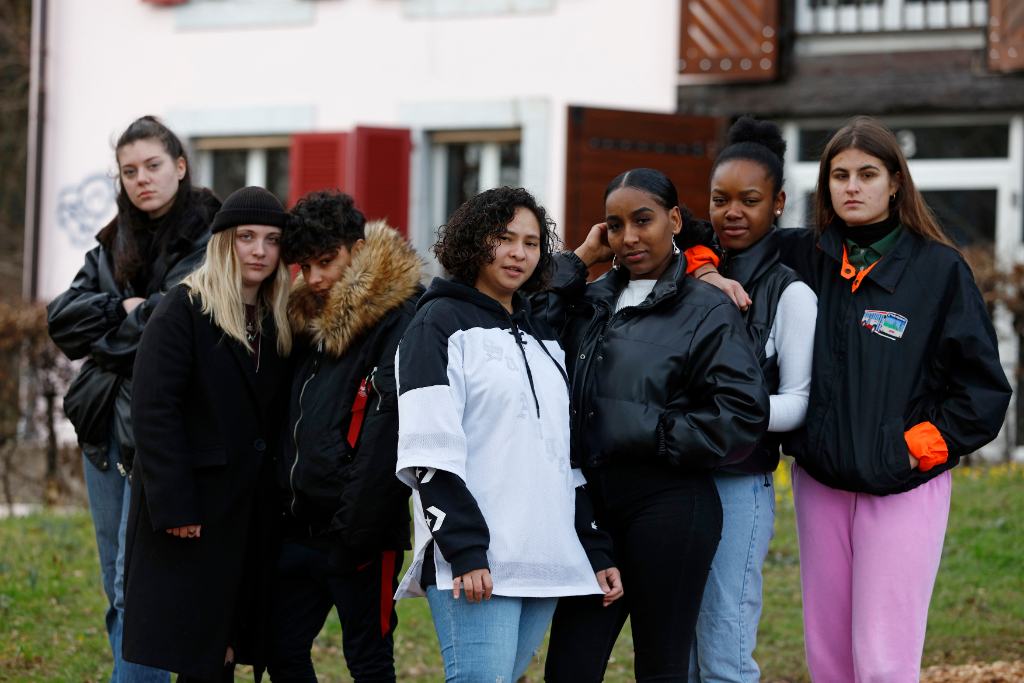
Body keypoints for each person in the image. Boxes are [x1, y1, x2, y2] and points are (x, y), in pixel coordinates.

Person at [692, 116, 1011, 682]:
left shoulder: (938, 269)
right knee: (830, 657)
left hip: (901, 486)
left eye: (867, 174)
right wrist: (705, 271)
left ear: (895, 183)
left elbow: (982, 391)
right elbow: (707, 232)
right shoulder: (803, 254)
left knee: (883, 661)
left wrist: (912, 448)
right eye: (839, 175)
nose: (852, 187)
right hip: (821, 482)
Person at [531, 168, 770, 683]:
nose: (629, 237)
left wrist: (656, 433)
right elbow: (527, 321)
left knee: (661, 668)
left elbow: (742, 412)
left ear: (675, 220)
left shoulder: (707, 307)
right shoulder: (588, 299)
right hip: (589, 508)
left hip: (668, 502)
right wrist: (580, 258)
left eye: (644, 220)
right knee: (569, 670)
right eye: (616, 225)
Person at [393, 186, 622, 683]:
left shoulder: (541, 335)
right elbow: (428, 451)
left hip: (544, 559)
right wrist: (465, 550)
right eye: (504, 238)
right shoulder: (436, 325)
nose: (519, 252)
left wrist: (594, 547)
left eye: (531, 242)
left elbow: (560, 457)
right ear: (474, 241)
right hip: (478, 562)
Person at [47, 116, 220, 683]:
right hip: (103, 433)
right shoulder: (112, 241)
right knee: (115, 584)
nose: (141, 178)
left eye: (152, 165)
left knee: (137, 584)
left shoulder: (210, 238)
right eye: (129, 171)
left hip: (164, 435)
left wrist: (115, 330)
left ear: (180, 166)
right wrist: (122, 310)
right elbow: (61, 321)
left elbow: (172, 327)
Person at [121, 186, 294, 683]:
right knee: (201, 652)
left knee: (229, 645)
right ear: (223, 242)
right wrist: (175, 506)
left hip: (250, 511)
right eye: (246, 237)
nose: (259, 250)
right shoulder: (184, 308)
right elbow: (154, 411)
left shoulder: (278, 319)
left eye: (272, 240)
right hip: (196, 511)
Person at [678, 118, 817, 683]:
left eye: (750, 200)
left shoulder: (792, 293)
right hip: (676, 481)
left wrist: (719, 421)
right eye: (720, 200)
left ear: (778, 203)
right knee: (678, 653)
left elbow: (799, 402)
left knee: (724, 649)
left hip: (740, 484)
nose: (732, 212)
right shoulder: (687, 274)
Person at [265, 190, 424, 682]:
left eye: (326, 261)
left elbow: (387, 434)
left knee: (369, 662)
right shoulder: (305, 318)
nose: (314, 278)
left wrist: (354, 535)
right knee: (280, 650)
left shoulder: (399, 319)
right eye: (304, 266)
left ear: (356, 250)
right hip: (298, 529)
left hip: (361, 536)